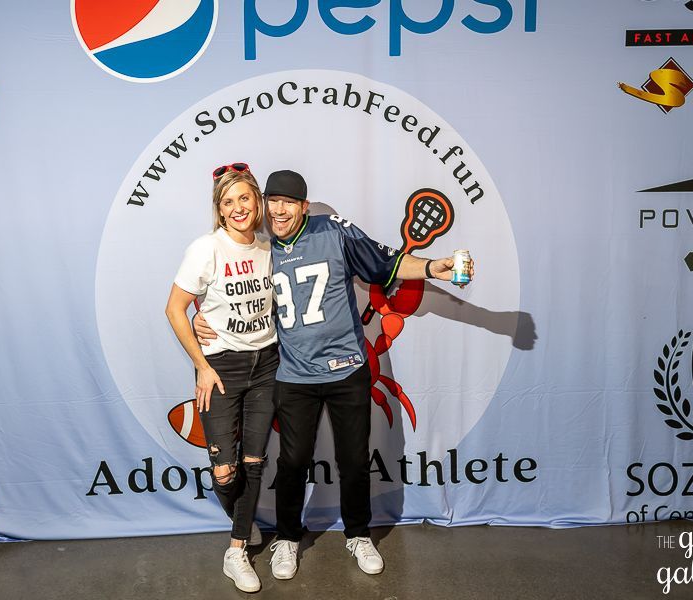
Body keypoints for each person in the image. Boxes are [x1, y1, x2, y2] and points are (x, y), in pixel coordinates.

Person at [195, 169, 472, 580]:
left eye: (289, 202)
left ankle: (358, 534)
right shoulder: (260, 246)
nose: (279, 209)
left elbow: (385, 264)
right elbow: (231, 294)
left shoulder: (334, 230)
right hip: (293, 374)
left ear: (304, 206)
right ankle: (287, 538)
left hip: (347, 370)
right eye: (273, 201)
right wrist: (202, 317)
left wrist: (436, 267)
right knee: (291, 462)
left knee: (354, 460)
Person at [165, 162, 277, 593]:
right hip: (222, 368)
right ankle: (244, 520)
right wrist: (203, 366)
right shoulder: (205, 248)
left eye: (244, 198)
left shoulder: (268, 247)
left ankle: (236, 550)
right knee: (226, 471)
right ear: (218, 209)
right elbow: (175, 308)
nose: (237, 208)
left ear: (257, 201)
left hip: (267, 364)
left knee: (254, 461)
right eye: (227, 202)